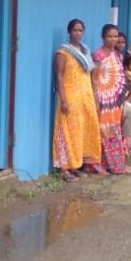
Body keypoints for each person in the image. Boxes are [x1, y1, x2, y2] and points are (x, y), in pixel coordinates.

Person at [53, 19, 102, 180]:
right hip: (69, 97)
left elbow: (90, 75)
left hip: (84, 97)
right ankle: (63, 168)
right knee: (67, 131)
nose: (78, 33)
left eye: (81, 30)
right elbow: (59, 76)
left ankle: (75, 165)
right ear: (69, 32)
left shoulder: (85, 51)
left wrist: (94, 98)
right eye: (75, 30)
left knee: (79, 131)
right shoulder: (63, 52)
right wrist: (63, 100)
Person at [92, 24, 131, 175]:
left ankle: (117, 164)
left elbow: (119, 77)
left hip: (115, 100)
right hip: (103, 99)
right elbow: (94, 78)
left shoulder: (118, 55)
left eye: (115, 36)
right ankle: (101, 165)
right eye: (109, 36)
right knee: (104, 131)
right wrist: (96, 100)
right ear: (103, 37)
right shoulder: (98, 55)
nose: (113, 39)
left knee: (115, 131)